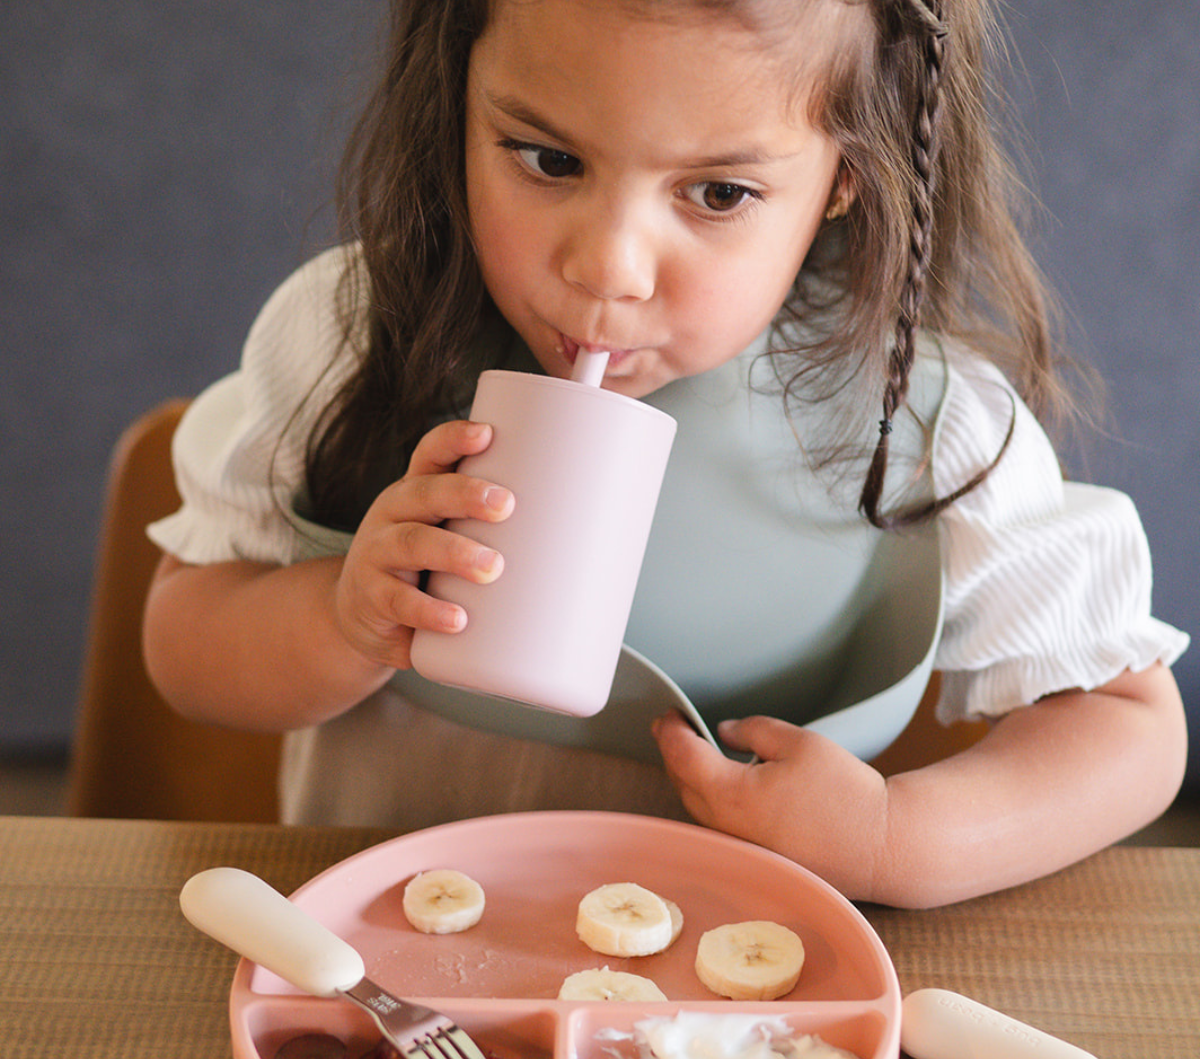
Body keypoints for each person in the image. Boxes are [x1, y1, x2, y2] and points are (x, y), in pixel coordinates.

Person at [143, 0, 1189, 908]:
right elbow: (185, 636)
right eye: (548, 159)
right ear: (456, 96)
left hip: (723, 1043)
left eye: (719, 194)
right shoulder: (350, 339)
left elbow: (1129, 725)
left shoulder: (921, 427)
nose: (606, 267)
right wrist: (340, 618)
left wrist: (894, 837)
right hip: (384, 998)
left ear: (846, 177)